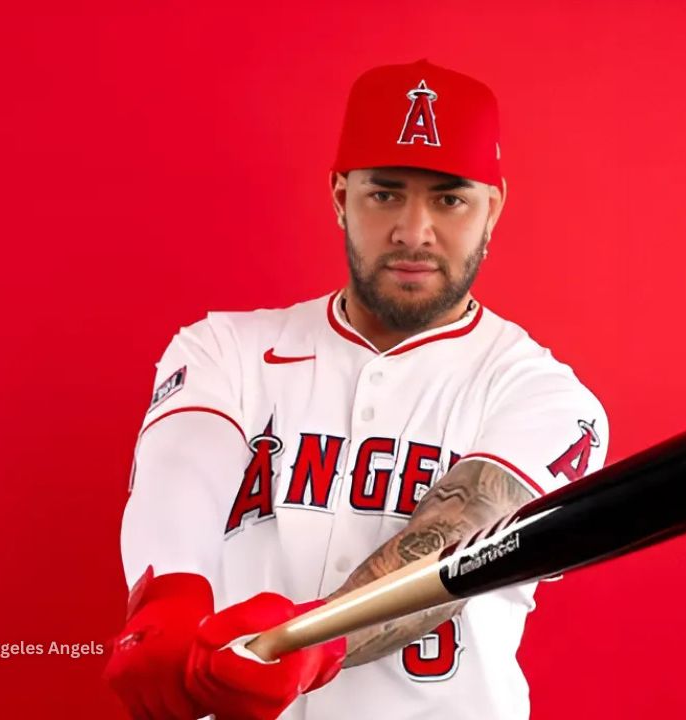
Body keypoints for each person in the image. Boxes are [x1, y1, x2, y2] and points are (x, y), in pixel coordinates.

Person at [103, 58, 609, 720]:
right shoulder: (224, 349)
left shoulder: (544, 397)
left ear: (494, 209)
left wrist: (312, 644)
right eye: (385, 193)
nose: (413, 230)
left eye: (450, 197)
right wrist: (169, 596)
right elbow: (181, 472)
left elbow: (462, 542)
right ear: (341, 197)